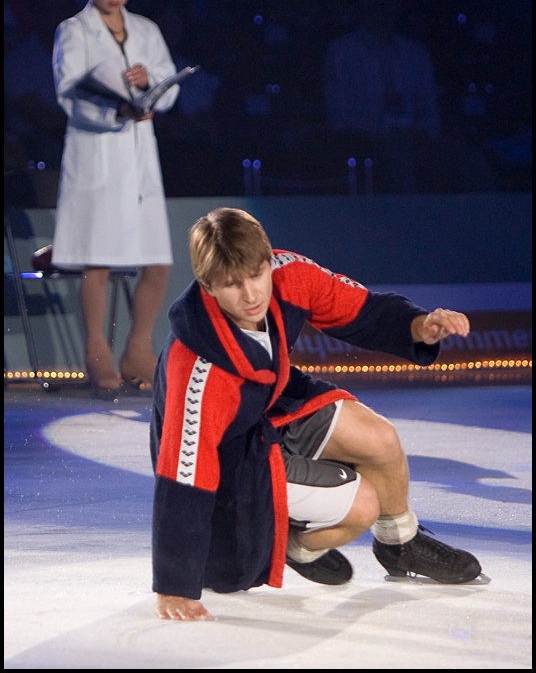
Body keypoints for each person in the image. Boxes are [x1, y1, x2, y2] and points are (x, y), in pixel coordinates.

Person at [150, 207, 485, 621]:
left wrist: (418, 325)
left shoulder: (291, 274)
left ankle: (400, 545)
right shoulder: (197, 368)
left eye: (257, 275)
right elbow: (184, 471)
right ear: (207, 286)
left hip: (270, 402)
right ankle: (293, 544)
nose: (252, 294)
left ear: (269, 261)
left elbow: (360, 309)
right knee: (364, 504)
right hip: (230, 456)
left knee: (380, 439)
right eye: (232, 285)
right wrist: (174, 584)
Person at [51, 0, 180, 391]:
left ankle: (138, 349)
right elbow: (69, 95)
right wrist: (114, 110)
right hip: (97, 152)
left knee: (156, 261)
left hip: (139, 152)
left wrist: (150, 85)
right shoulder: (74, 31)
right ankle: (97, 351)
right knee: (98, 261)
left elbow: (171, 86)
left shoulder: (146, 29)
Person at [324, 0, 441, 194]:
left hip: (419, 141)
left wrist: (420, 134)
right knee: (399, 155)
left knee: (470, 161)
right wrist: (384, 133)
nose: (385, 5)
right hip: (369, 142)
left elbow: (430, 111)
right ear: (364, 0)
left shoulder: (416, 53)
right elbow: (340, 116)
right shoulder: (341, 52)